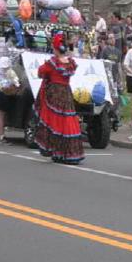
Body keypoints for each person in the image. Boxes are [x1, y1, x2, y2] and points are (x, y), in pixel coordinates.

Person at [33, 33, 84, 164]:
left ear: (55, 48)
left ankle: (58, 151)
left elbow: (40, 72)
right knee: (67, 119)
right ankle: (67, 152)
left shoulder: (53, 63)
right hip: (66, 93)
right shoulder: (69, 62)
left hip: (55, 93)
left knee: (55, 121)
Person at [0, 53, 19, 144]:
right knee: (1, 115)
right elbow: (17, 83)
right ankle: (1, 136)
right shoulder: (10, 72)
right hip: (2, 91)